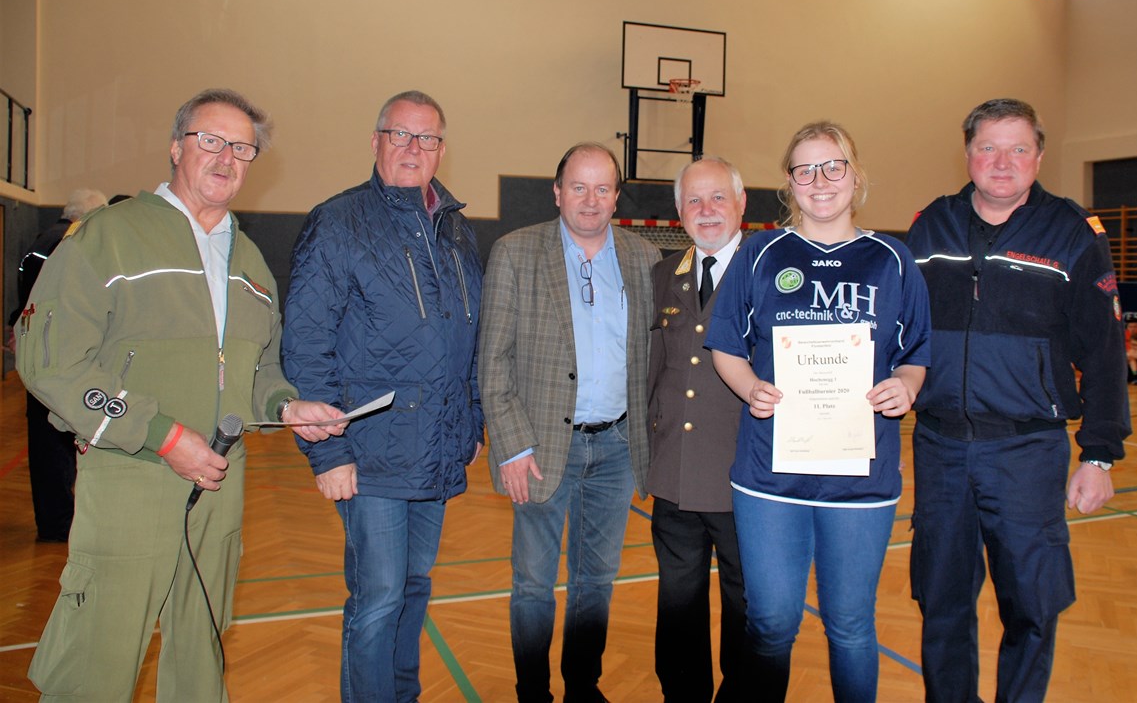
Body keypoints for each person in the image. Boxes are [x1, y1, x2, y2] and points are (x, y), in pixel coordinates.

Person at [15, 89, 346, 702]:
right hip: (130, 475)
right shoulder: (109, 237)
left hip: (219, 484)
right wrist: (162, 435)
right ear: (176, 147)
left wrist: (285, 405)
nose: (226, 158)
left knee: (199, 660)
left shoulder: (251, 263)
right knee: (95, 663)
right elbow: (49, 362)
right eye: (210, 140)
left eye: (242, 148)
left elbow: (258, 368)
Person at [905, 98, 1131, 703]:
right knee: (942, 601)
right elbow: (897, 329)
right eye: (988, 147)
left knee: (1032, 604)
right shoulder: (931, 225)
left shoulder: (1072, 231)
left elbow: (1105, 350)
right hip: (940, 448)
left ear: (1039, 156)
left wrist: (1099, 455)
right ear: (968, 153)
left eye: (1018, 149)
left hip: (1028, 452)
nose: (1002, 162)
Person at [705, 122, 931, 703]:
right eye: (804, 170)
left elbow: (914, 355)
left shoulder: (893, 260)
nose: (820, 180)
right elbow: (726, 345)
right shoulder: (759, 253)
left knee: (850, 625)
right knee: (771, 623)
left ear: (855, 176)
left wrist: (905, 387)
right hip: (769, 475)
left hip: (861, 478)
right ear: (789, 183)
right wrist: (750, 387)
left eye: (833, 166)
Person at [282, 90, 484, 703]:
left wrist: (471, 421)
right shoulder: (338, 221)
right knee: (378, 599)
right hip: (368, 453)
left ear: (442, 150)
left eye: (427, 138)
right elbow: (306, 343)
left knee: (414, 587)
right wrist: (327, 452)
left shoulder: (457, 229)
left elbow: (470, 337)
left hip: (436, 448)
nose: (413, 148)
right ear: (376, 142)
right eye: (400, 134)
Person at [480, 142, 660, 703]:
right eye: (578, 187)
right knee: (534, 583)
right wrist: (511, 446)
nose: (590, 199)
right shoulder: (515, 252)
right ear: (557, 192)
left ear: (616, 197)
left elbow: (657, 357)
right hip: (538, 448)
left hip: (617, 449)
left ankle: (583, 686)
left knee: (596, 581)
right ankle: (532, 691)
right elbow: (492, 360)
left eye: (603, 188)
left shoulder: (644, 258)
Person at [646, 157, 749, 702]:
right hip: (677, 474)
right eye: (694, 200)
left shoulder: (767, 271)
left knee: (745, 604)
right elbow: (654, 370)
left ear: (741, 204)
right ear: (679, 211)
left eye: (718, 197)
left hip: (745, 475)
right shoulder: (664, 274)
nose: (706, 210)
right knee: (678, 604)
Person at [10, 188, 107, 542]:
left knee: (47, 441)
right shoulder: (66, 244)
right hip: (55, 356)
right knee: (55, 440)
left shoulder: (42, 240)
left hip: (38, 353)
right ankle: (58, 521)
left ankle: (56, 518)